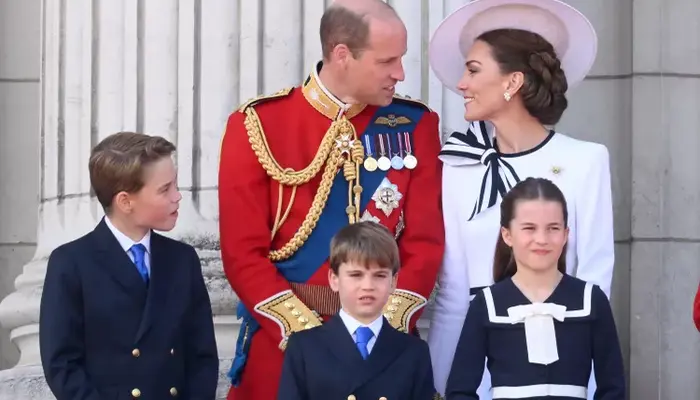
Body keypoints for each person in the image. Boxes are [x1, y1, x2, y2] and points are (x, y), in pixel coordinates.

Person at [218, 0, 445, 398]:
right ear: (342, 55)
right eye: (387, 61)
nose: (401, 73)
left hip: (381, 349)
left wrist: (378, 326)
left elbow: (424, 244)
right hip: (283, 347)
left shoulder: (416, 125)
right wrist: (312, 341)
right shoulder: (258, 125)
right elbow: (242, 254)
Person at [426, 0, 614, 398]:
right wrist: (444, 381)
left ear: (512, 82)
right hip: (477, 376)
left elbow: (594, 283)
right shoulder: (457, 167)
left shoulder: (585, 161)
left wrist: (589, 386)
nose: (462, 83)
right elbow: (453, 293)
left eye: (473, 70)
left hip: (562, 373)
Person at [39, 132, 219, 400]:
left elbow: (202, 357)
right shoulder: (71, 264)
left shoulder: (183, 260)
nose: (177, 196)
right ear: (125, 201)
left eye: (175, 185)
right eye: (164, 189)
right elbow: (62, 365)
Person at [445, 177, 625, 400]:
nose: (542, 239)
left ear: (566, 234)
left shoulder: (590, 300)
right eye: (529, 228)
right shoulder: (487, 303)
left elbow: (613, 389)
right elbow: (459, 390)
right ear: (507, 235)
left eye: (553, 228)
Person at [277, 221, 438, 400]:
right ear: (334, 279)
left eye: (379, 276)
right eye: (356, 275)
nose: (367, 286)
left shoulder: (414, 352)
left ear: (393, 282)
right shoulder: (304, 348)